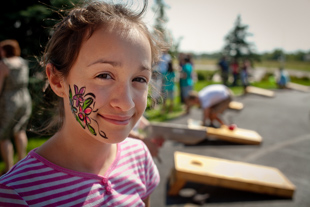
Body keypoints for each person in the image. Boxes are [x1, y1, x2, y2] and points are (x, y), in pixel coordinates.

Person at [0, 1, 167, 206]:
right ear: (57, 80)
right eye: (104, 75)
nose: (126, 103)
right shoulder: (17, 194)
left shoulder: (139, 157)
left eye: (139, 79)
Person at [0, 39, 32, 174]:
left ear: (5, 50)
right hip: (25, 97)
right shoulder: (23, 63)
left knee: (4, 134)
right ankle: (22, 165)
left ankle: (9, 168)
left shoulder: (4, 64)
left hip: (9, 100)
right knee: (20, 130)